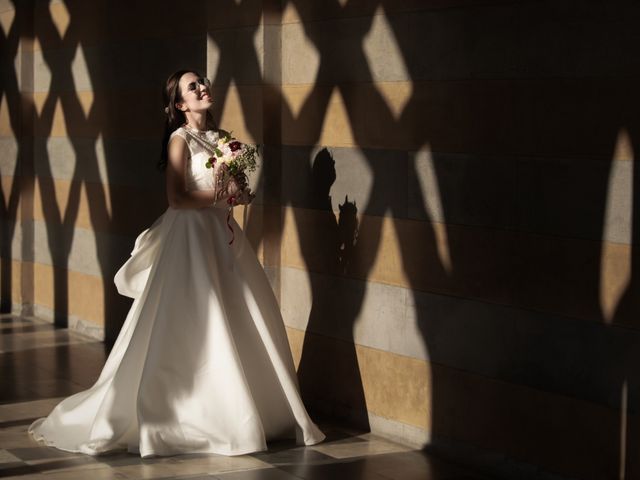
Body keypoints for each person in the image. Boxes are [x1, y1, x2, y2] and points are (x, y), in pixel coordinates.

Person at [27, 70, 326, 457]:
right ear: (180, 105)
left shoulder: (223, 141)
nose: (202, 87)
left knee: (241, 313)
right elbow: (176, 198)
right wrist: (220, 195)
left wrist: (239, 195)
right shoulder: (179, 139)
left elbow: (237, 191)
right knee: (194, 319)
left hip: (223, 237)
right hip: (189, 239)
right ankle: (188, 416)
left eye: (202, 82)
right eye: (192, 86)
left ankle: (258, 410)